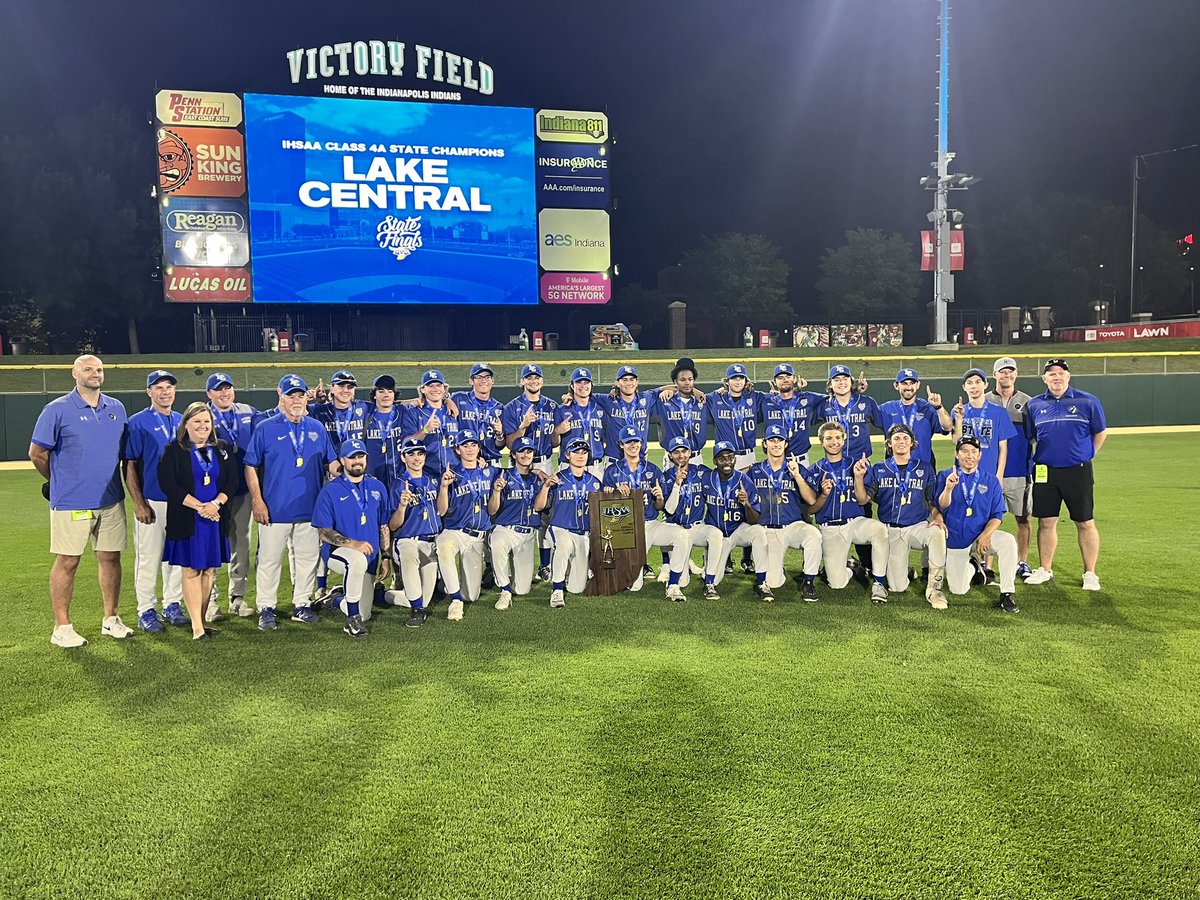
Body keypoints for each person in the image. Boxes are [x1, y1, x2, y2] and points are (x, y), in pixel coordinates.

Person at [29, 354, 132, 648]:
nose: (95, 373)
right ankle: (62, 627)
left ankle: (110, 619)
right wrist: (59, 481)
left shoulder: (116, 407)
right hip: (73, 501)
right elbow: (37, 453)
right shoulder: (56, 410)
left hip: (111, 498)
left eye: (99, 369)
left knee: (111, 557)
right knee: (68, 561)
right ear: (75, 373)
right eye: (88, 369)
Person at [243, 374, 337, 631]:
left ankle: (301, 604)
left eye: (300, 395)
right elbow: (250, 465)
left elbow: (331, 463)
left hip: (309, 508)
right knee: (270, 560)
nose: (296, 400)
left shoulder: (316, 427)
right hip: (274, 508)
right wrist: (257, 500)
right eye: (291, 396)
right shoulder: (266, 427)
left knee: (307, 558)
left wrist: (352, 469)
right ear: (280, 397)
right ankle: (266, 607)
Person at [1023, 359, 1107, 590]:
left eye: (1060, 373)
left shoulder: (1087, 401)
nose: (1056, 377)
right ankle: (1045, 569)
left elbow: (1100, 432)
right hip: (1045, 471)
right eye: (1051, 374)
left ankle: (1090, 573)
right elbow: (1032, 437)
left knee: (1085, 522)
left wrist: (1087, 455)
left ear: (1068, 376)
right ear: (1045, 379)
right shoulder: (1035, 405)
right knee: (1046, 521)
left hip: (1077, 471)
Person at [157, 402, 237, 640]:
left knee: (210, 571)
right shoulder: (173, 450)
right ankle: (196, 627)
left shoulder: (221, 448)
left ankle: (202, 619)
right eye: (197, 422)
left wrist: (215, 505)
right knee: (192, 570)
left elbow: (232, 481)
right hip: (188, 518)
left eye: (206, 422)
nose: (202, 426)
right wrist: (200, 507)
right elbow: (168, 484)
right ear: (186, 425)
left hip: (215, 517)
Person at [855, 424, 948, 609]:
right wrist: (858, 477)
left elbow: (931, 502)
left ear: (912, 443)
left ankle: (935, 589)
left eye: (905, 438)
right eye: (896, 438)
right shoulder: (880, 468)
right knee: (897, 587)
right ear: (889, 443)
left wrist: (938, 518)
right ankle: (906, 571)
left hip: (917, 527)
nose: (901, 442)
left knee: (937, 532)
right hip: (891, 529)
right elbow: (862, 500)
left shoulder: (925, 468)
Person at [123, 370, 186, 632]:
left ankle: (172, 603)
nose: (165, 392)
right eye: (158, 387)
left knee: (177, 557)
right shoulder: (137, 422)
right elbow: (130, 464)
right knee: (149, 558)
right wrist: (138, 502)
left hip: (182, 502)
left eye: (169, 387)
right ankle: (146, 609)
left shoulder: (183, 420)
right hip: (154, 499)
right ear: (149, 392)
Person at [312, 439, 393, 638]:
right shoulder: (330, 491)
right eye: (352, 457)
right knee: (356, 560)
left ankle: (333, 600)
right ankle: (351, 620)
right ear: (343, 460)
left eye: (360, 456)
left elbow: (383, 525)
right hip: (337, 553)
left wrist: (385, 556)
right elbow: (323, 532)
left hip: (370, 556)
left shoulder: (377, 486)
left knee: (365, 612)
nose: (357, 461)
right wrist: (352, 544)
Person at [803, 422, 890, 602]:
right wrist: (824, 495)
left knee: (879, 529)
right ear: (821, 441)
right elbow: (810, 510)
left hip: (855, 522)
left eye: (837, 437)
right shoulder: (814, 470)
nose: (833, 442)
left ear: (844, 440)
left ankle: (879, 583)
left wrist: (858, 477)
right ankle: (853, 567)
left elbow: (863, 500)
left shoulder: (856, 464)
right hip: (829, 527)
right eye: (829, 438)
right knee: (837, 583)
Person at [602, 428, 690, 600]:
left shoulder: (653, 470)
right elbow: (607, 510)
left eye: (636, 441)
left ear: (642, 444)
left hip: (650, 523)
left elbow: (659, 507)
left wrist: (659, 497)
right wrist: (614, 493)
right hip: (627, 528)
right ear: (621, 445)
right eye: (628, 442)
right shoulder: (612, 471)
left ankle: (673, 585)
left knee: (682, 535)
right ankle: (620, 569)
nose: (633, 445)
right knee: (634, 586)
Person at [936, 435, 1019, 612]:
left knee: (1008, 541)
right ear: (957, 454)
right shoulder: (945, 476)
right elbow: (940, 506)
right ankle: (974, 566)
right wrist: (949, 488)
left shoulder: (991, 481)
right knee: (958, 590)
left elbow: (997, 515)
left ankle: (1007, 594)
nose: (969, 455)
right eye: (965, 451)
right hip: (956, 539)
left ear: (980, 455)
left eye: (974, 451)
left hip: (981, 537)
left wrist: (986, 534)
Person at [205, 372, 258, 619]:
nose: (224, 393)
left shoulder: (248, 411)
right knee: (211, 544)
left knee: (241, 543)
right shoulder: (201, 415)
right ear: (209, 394)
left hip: (242, 490)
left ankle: (237, 598)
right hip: (211, 492)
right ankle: (210, 600)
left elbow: (276, 418)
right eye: (218, 389)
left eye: (227, 388)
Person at [749, 425, 823, 600]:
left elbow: (812, 500)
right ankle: (776, 566)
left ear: (786, 444)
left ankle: (809, 582)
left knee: (813, 534)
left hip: (792, 526)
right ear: (764, 444)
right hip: (767, 529)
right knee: (773, 582)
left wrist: (797, 476)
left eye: (780, 440)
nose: (776, 444)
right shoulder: (755, 470)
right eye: (772, 440)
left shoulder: (795, 468)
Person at [693, 442, 771, 600]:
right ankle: (709, 580)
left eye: (730, 457)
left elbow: (754, 520)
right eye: (722, 458)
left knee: (759, 532)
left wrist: (747, 504)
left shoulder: (744, 481)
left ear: (735, 459)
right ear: (715, 461)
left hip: (738, 529)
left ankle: (762, 582)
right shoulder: (707, 478)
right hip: (718, 534)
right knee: (714, 578)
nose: (727, 462)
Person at [502, 363, 559, 578]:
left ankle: (544, 565)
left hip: (543, 461)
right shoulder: (511, 408)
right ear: (522, 381)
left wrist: (559, 433)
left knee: (545, 514)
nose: (533, 381)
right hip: (519, 463)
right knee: (514, 511)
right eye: (529, 378)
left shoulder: (552, 406)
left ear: (542, 381)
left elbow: (554, 442)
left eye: (537, 377)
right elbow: (509, 443)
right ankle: (509, 564)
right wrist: (524, 425)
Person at [435, 430, 498, 621]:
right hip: (455, 531)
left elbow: (494, 510)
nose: (470, 449)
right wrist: (444, 487)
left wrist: (537, 470)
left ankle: (444, 585)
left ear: (479, 448)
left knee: (471, 595)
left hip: (477, 537)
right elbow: (442, 511)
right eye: (465, 445)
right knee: (444, 547)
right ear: (457, 449)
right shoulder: (451, 473)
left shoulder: (490, 472)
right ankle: (455, 600)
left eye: (473, 445)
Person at [534, 438, 601, 608]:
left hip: (582, 533)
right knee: (563, 545)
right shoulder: (557, 479)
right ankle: (556, 589)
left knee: (576, 588)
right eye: (576, 452)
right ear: (567, 455)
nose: (580, 456)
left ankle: (570, 573)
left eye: (584, 452)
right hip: (560, 528)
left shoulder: (594, 482)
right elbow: (539, 506)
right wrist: (546, 487)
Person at [988, 357, 1035, 579]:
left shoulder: (1028, 403)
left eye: (1010, 371)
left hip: (1019, 471)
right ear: (994, 374)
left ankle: (1022, 562)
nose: (1006, 375)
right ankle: (986, 566)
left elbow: (1036, 437)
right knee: (987, 519)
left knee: (1023, 518)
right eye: (1002, 372)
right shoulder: (985, 400)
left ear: (1016, 374)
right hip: (989, 473)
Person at [387, 439, 443, 627]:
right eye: (410, 454)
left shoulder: (433, 481)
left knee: (423, 598)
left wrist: (443, 488)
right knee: (409, 555)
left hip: (430, 543)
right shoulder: (398, 484)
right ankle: (416, 611)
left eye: (419, 454)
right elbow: (393, 526)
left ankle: (383, 596)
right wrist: (402, 506)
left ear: (425, 456)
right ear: (403, 457)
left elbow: (442, 511)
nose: (416, 458)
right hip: (406, 541)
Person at [487, 436, 547, 610]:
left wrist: (545, 486)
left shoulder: (538, 480)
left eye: (529, 451)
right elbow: (491, 510)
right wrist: (497, 491)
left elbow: (539, 507)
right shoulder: (503, 476)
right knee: (497, 540)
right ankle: (504, 589)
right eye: (521, 451)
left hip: (527, 534)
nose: (526, 455)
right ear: (513, 454)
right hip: (506, 529)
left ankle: (510, 576)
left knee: (522, 590)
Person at [660, 436, 724, 592]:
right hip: (677, 531)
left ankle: (709, 581)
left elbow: (722, 475)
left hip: (696, 528)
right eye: (676, 452)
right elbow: (669, 510)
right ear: (670, 455)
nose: (681, 455)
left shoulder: (701, 472)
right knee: (682, 582)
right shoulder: (666, 476)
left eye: (684, 451)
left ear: (690, 453)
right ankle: (679, 564)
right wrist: (677, 484)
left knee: (715, 534)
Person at [951, 368, 1016, 482]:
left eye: (977, 382)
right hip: (963, 474)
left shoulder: (999, 412)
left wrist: (999, 476)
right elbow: (956, 441)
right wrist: (959, 419)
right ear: (964, 387)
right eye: (969, 383)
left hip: (989, 473)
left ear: (985, 384)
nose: (973, 386)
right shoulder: (958, 412)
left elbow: (1003, 447)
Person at [879, 368, 952, 466]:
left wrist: (939, 407)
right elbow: (865, 414)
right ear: (896, 385)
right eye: (904, 383)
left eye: (912, 383)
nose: (908, 387)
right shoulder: (886, 409)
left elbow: (948, 427)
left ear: (918, 385)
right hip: (894, 470)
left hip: (923, 470)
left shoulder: (928, 409)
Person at [758, 363, 826, 467]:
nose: (784, 380)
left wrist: (855, 390)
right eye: (780, 377)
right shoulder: (766, 400)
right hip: (776, 461)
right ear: (774, 382)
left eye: (788, 376)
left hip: (801, 460)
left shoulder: (807, 398)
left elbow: (834, 398)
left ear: (794, 379)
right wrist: (725, 392)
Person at [649, 357, 707, 467]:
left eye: (690, 379)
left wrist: (723, 389)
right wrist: (663, 390)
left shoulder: (702, 402)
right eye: (682, 380)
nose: (687, 383)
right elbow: (641, 399)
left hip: (696, 458)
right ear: (675, 381)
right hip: (672, 460)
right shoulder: (664, 402)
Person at [403, 369, 460, 479]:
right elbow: (406, 442)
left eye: (438, 385)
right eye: (430, 385)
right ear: (423, 389)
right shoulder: (414, 413)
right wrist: (425, 430)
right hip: (427, 475)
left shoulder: (454, 411)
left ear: (444, 389)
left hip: (455, 474)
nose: (435, 389)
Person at [555, 367, 609, 478]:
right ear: (572, 385)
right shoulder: (562, 410)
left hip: (595, 467)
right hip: (568, 466)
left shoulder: (600, 409)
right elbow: (553, 442)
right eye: (579, 382)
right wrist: (556, 431)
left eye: (586, 382)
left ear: (591, 385)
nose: (583, 386)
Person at [451, 363, 507, 464]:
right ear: (471, 381)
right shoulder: (459, 399)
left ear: (492, 381)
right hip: (466, 461)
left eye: (487, 377)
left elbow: (500, 445)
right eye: (479, 377)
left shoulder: (499, 408)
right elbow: (435, 400)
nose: (484, 380)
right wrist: (447, 401)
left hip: (492, 462)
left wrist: (499, 435)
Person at [364, 374, 404, 490]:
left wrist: (447, 400)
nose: (386, 395)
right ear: (375, 395)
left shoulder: (403, 412)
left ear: (394, 395)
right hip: (371, 477)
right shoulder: (365, 413)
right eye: (381, 391)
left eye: (390, 391)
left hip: (397, 477)